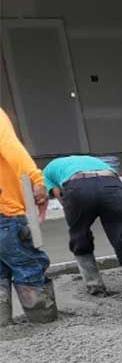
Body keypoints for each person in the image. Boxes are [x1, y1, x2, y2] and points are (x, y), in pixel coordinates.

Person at [42, 154, 122, 307]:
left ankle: (94, 285)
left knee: (80, 235)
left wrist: (76, 219)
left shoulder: (46, 173)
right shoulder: (95, 162)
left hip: (77, 188)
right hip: (112, 185)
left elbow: (60, 196)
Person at [0, 107, 56, 326]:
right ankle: (43, 322)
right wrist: (36, 179)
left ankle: (2, 325)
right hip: (5, 212)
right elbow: (11, 148)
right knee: (28, 265)